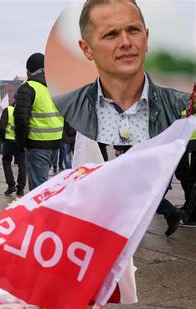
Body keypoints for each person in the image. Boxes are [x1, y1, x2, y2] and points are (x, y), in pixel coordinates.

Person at [53, 0, 190, 236]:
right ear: (87, 49)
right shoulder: (71, 105)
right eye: (111, 34)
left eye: (133, 30)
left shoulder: (180, 101)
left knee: (137, 187)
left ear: (146, 37)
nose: (126, 43)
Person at [14, 52, 64, 190]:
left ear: (29, 71)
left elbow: (21, 119)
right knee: (45, 185)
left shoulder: (28, 87)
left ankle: (43, 212)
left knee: (38, 190)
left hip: (37, 144)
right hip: (55, 143)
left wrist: (21, 144)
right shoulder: (57, 87)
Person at [0, 102, 27, 196]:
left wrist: (3, 139)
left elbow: (1, 127)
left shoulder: (8, 110)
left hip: (9, 141)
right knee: (22, 165)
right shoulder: (26, 110)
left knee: (6, 162)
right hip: (20, 142)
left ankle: (11, 185)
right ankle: (21, 188)